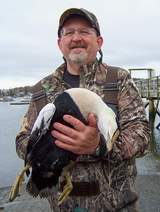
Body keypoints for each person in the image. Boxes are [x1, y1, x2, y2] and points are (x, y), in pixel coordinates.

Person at [16, 8, 150, 212]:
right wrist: (43, 151)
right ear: (59, 43)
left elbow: (142, 135)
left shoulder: (119, 80)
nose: (76, 38)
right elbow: (22, 139)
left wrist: (99, 145)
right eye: (68, 32)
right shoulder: (42, 89)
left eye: (85, 31)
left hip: (119, 206)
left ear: (99, 41)